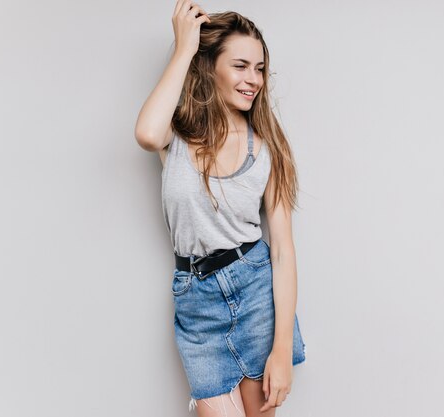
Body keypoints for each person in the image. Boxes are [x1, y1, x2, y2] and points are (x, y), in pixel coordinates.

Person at [134, 3, 306, 416]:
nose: (253, 80)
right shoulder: (176, 134)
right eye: (241, 65)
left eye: (260, 68)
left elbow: (282, 251)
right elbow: (145, 133)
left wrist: (281, 350)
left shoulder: (268, 149)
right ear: (209, 67)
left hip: (255, 290)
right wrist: (184, 49)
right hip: (197, 301)